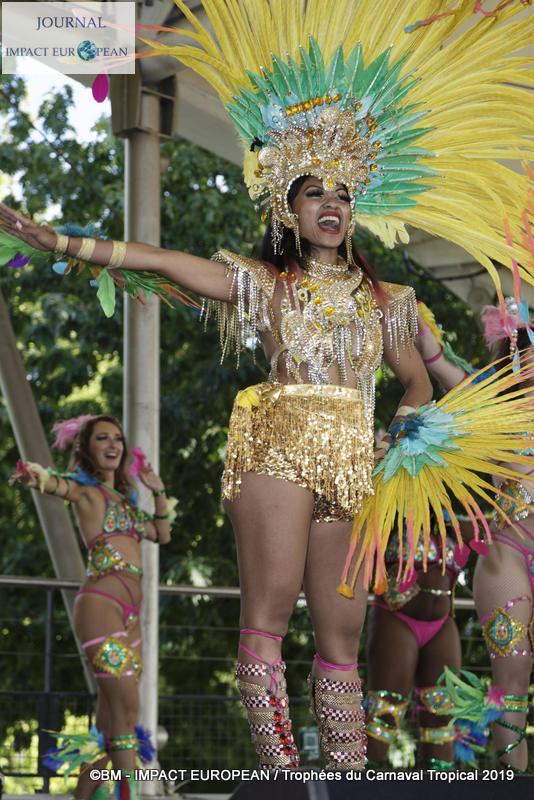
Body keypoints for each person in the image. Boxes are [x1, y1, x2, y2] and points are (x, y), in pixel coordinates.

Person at [2, 0, 533, 772]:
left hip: (356, 459)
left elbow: (416, 384)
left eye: (343, 195)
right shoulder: (263, 283)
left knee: (341, 635)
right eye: (315, 192)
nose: (331, 206)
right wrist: (68, 242)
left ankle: (346, 778)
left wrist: (404, 430)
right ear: (289, 204)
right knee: (268, 618)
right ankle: (284, 778)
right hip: (279, 442)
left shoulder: (392, 304)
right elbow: (162, 261)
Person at [9, 415, 171, 797]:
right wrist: (35, 475)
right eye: (102, 438)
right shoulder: (86, 492)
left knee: (109, 727)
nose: (113, 444)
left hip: (132, 620)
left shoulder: (129, 507)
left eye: (118, 438)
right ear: (87, 448)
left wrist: (157, 490)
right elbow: (54, 484)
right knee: (128, 710)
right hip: (101, 606)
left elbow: (161, 533)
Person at [365, 306, 471, 770]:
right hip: (396, 616)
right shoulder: (387, 478)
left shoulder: (461, 497)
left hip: (443, 621)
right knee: (382, 722)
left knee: (442, 725)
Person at [472, 305, 534, 774]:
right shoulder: (486, 404)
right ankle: (508, 787)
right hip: (506, 553)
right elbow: (439, 364)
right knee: (510, 685)